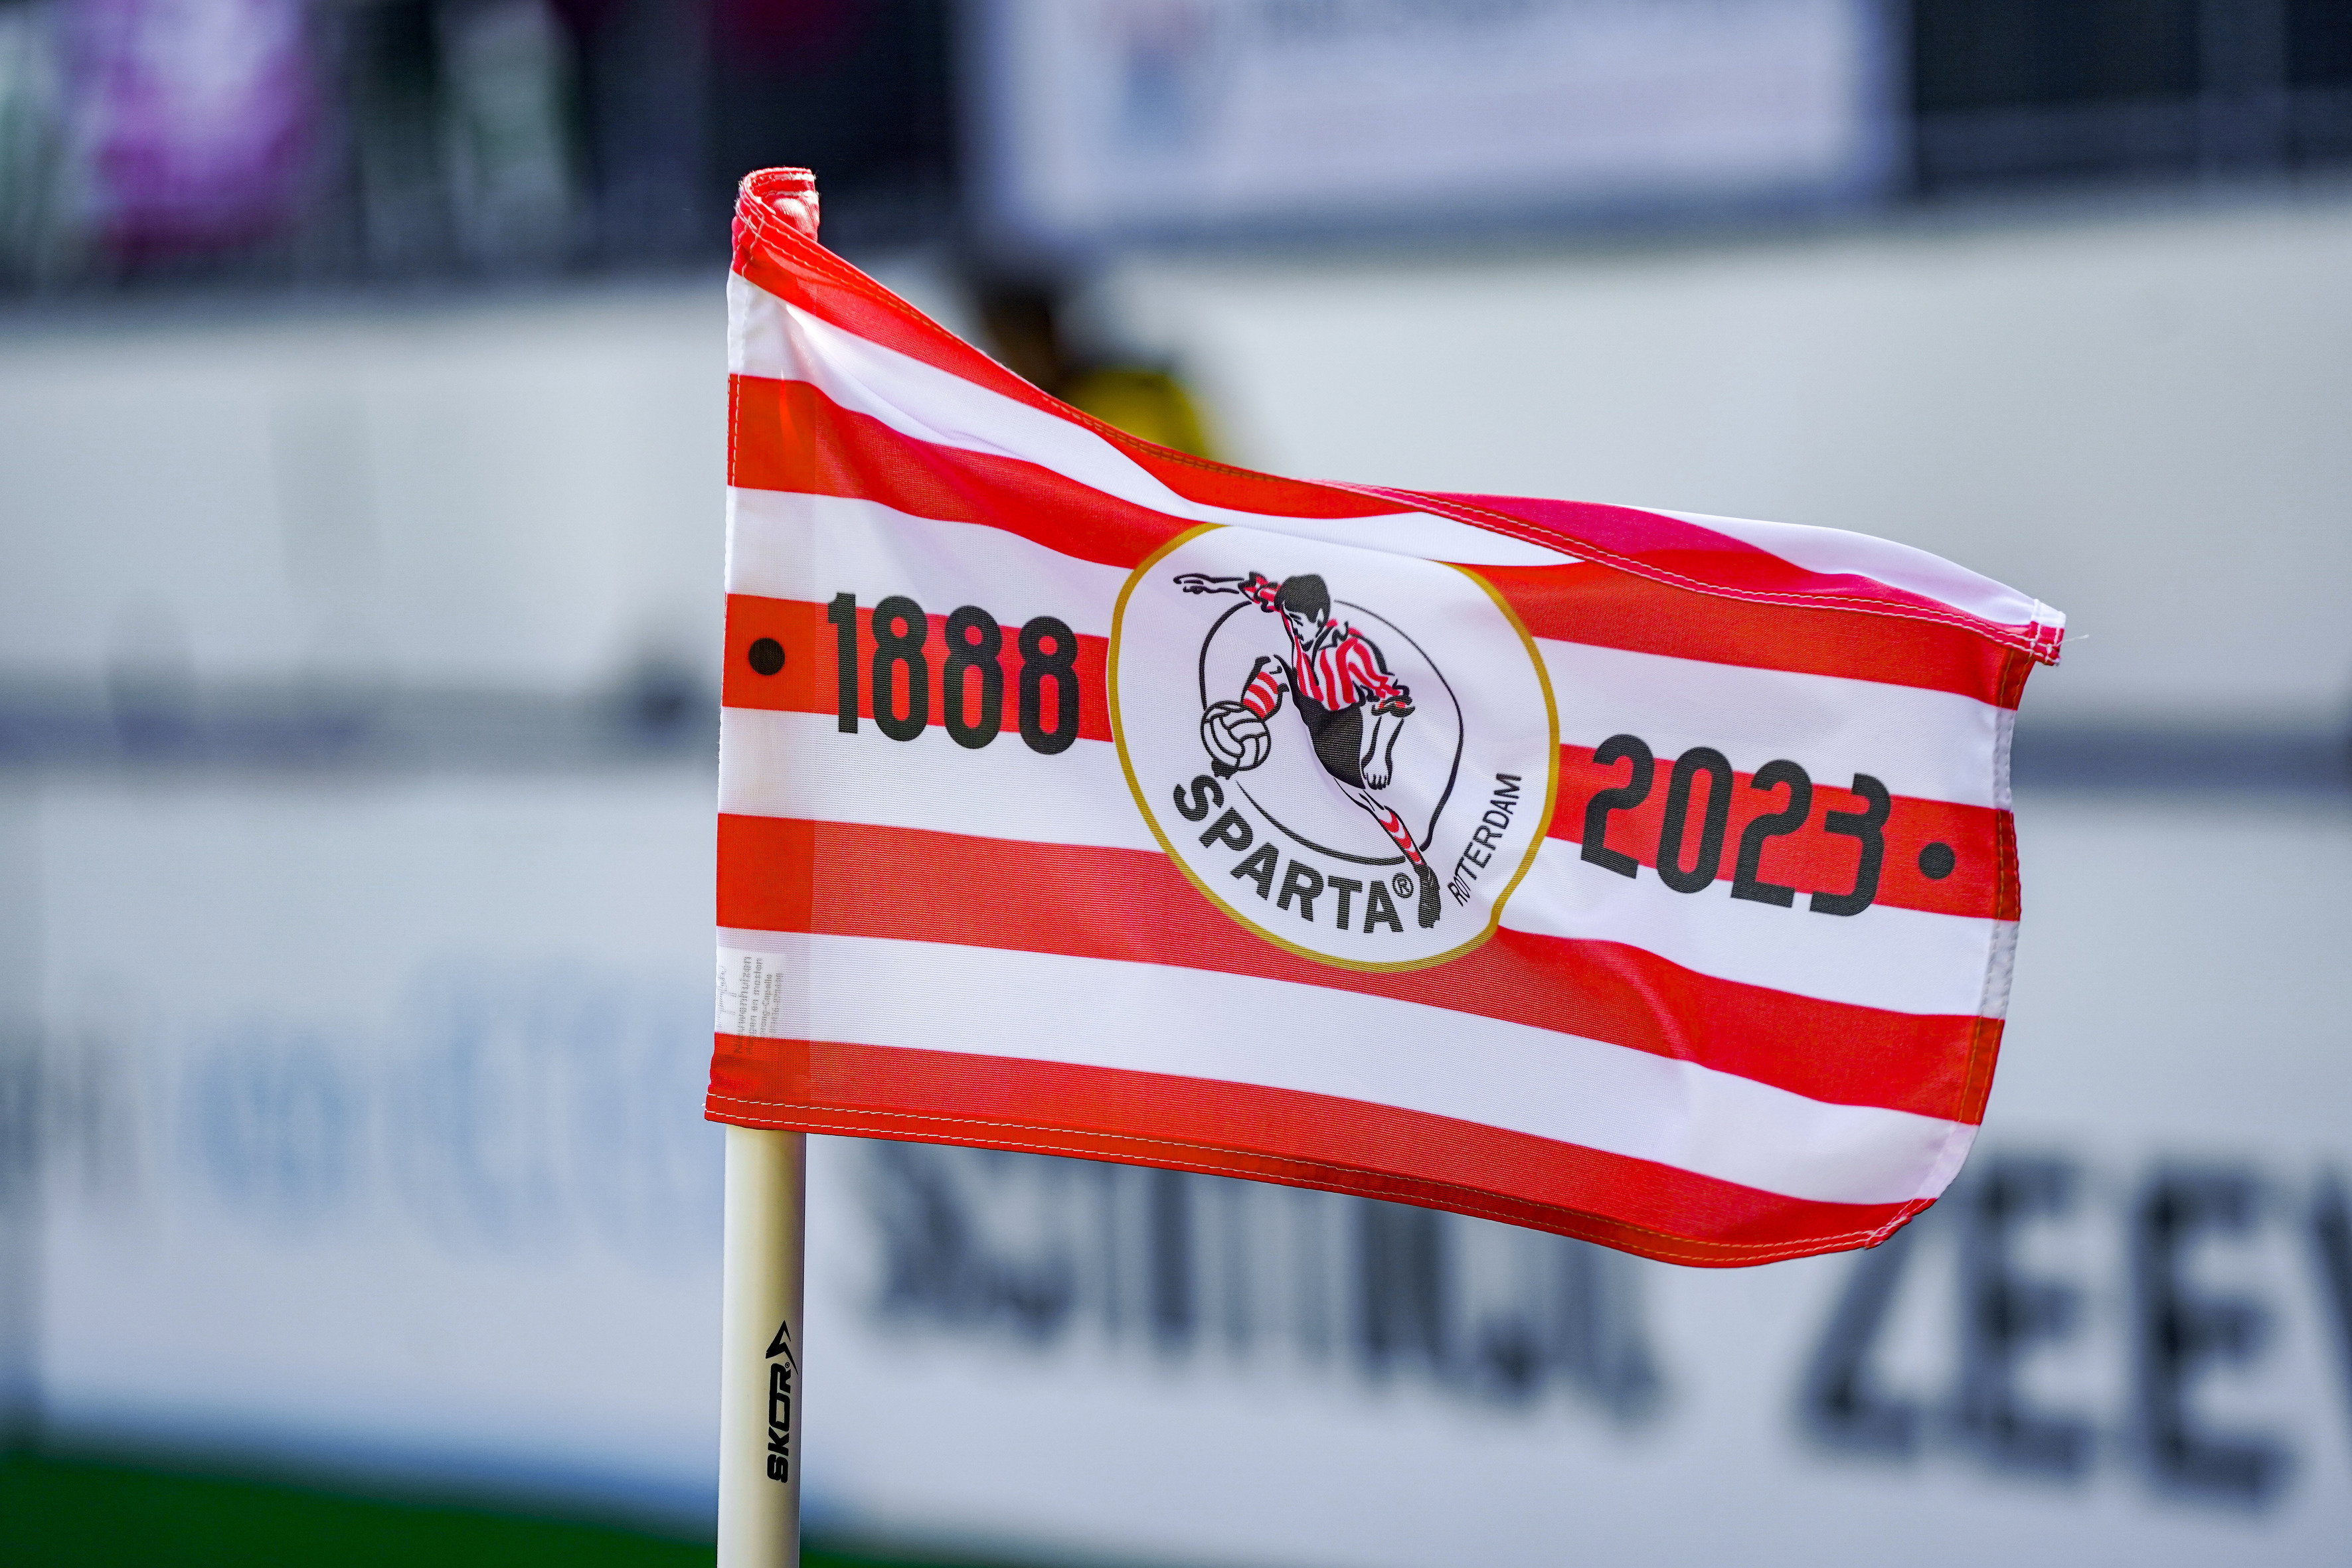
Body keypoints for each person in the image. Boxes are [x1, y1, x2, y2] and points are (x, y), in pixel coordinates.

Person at [1175, 570, 1440, 929]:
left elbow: (1396, 700)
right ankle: (1241, 739)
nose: (1294, 630)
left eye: (1299, 624)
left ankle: (1422, 871)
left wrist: (1379, 754)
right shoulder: (1292, 618)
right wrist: (1212, 584)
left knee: (1369, 805)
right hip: (1309, 702)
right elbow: (1258, 591)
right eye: (1291, 622)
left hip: (1345, 726)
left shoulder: (1353, 652)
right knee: (1272, 668)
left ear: (1319, 617)